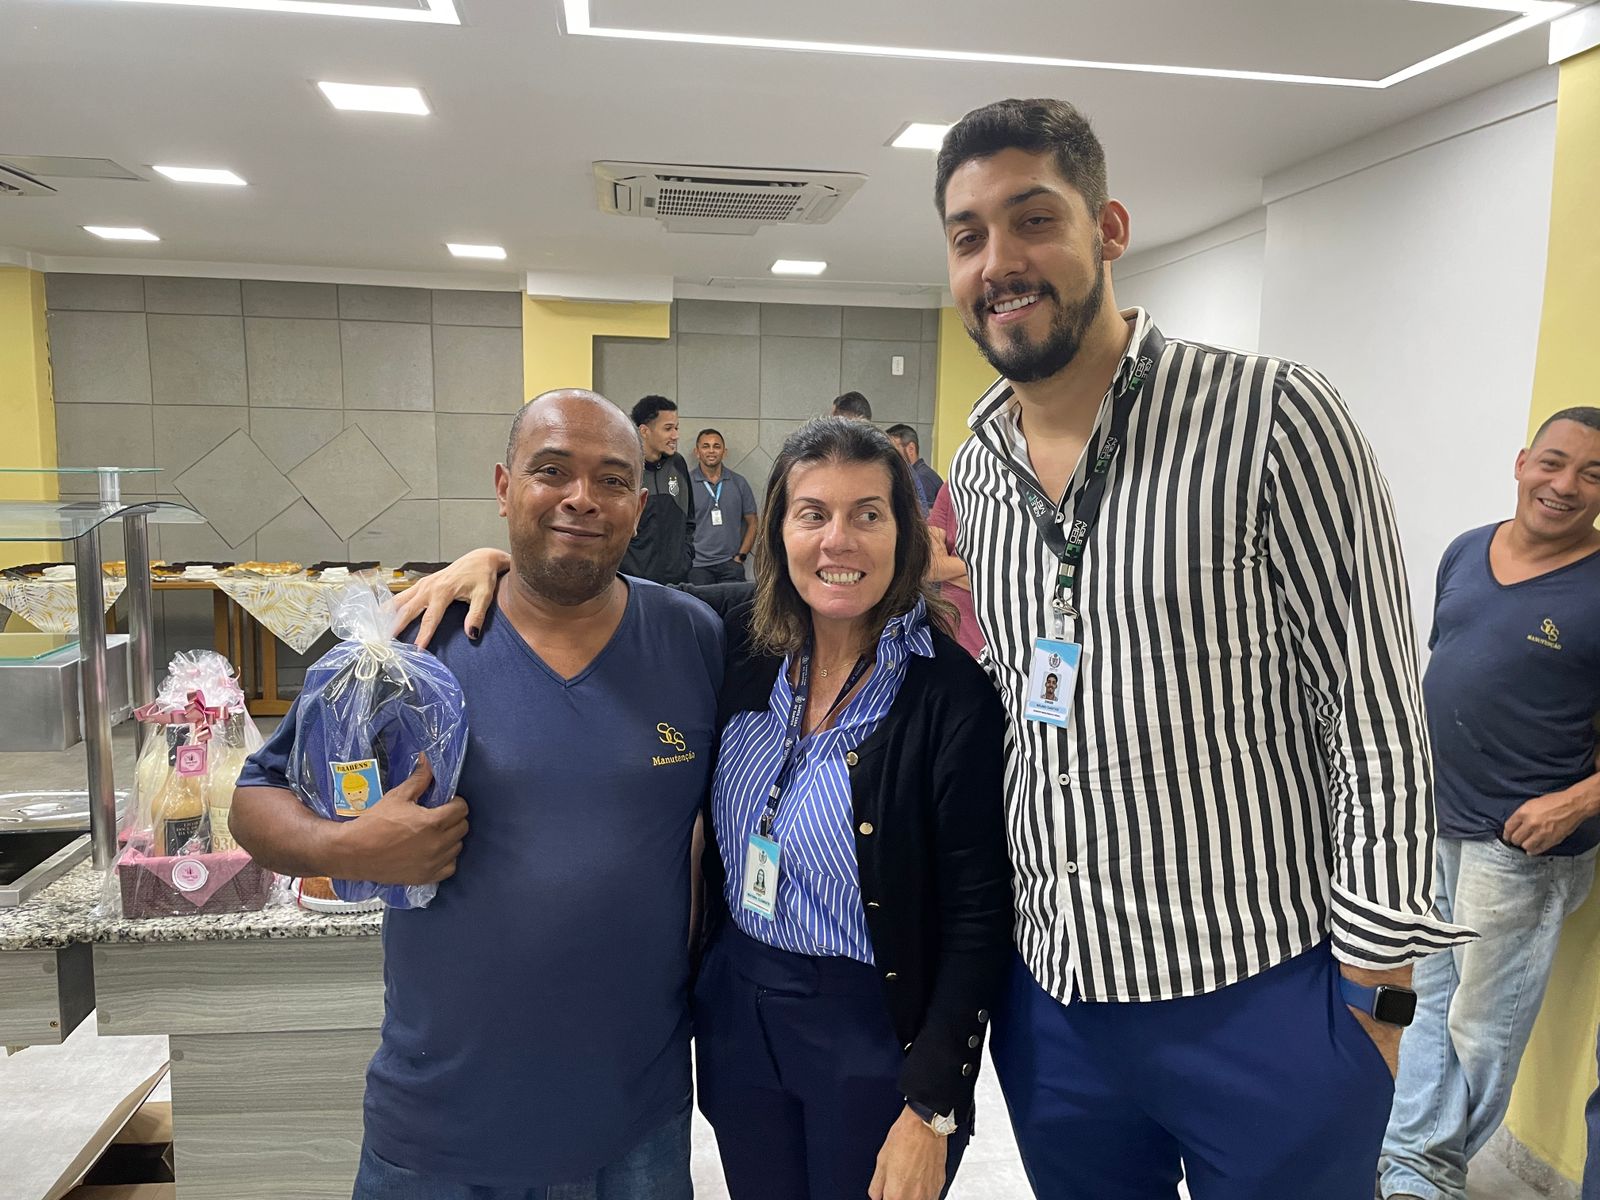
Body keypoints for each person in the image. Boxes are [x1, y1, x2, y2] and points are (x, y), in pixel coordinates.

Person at [936, 97, 1472, 1198]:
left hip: (1261, 997)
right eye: (968, 235)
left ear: (1108, 229)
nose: (999, 262)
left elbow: (1374, 714)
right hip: (1057, 1009)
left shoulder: (1273, 418)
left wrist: (1376, 999)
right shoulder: (978, 466)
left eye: (1033, 219)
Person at [394, 417, 1013, 1200]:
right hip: (737, 1015)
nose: (838, 541)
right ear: (779, 531)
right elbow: (597, 591)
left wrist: (934, 1103)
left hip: (871, 1028)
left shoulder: (949, 694)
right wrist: (495, 561)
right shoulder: (740, 640)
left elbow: (979, 913)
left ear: (905, 534)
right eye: (813, 513)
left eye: (868, 514)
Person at [230, 389, 722, 1200]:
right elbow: (255, 798)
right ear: (503, 487)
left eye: (610, 480)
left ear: (638, 506)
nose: (581, 498)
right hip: (440, 1129)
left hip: (635, 1126)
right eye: (551, 471)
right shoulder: (410, 648)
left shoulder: (692, 636)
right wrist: (344, 847)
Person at [1381, 407, 1600, 1200]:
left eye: (1594, 475)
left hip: (1520, 847)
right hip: (1435, 821)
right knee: (1426, 1005)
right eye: (1554, 462)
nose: (1565, 485)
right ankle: (1409, 1165)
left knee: (1482, 1029)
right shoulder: (1467, 550)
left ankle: (1428, 1175)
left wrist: (1574, 802)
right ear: (1521, 462)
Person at [625, 394, 696, 583]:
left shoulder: (678, 464)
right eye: (668, 428)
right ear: (644, 431)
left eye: (676, 428)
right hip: (635, 582)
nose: (675, 435)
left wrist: (685, 558)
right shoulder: (624, 468)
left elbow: (689, 520)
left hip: (676, 580)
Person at [688, 428, 758, 584]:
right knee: (699, 601)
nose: (711, 451)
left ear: (724, 452)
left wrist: (741, 556)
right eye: (705, 446)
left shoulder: (739, 483)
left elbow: (753, 522)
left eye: (716, 446)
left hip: (731, 564)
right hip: (697, 567)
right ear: (697, 452)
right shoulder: (686, 483)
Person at [924, 482, 984, 659]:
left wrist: (947, 568)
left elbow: (1011, 583)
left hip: (1005, 641)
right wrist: (986, 567)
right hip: (955, 635)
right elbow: (931, 566)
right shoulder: (951, 489)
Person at [886, 424, 944, 514]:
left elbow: (925, 517)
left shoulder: (922, 477)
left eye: (893, 450)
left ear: (911, 449)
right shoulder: (919, 474)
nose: (889, 455)